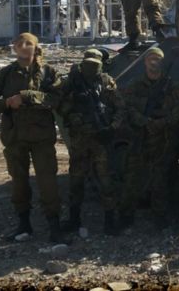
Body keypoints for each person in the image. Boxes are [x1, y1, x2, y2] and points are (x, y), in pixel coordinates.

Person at [0, 32, 67, 243]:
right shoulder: (6, 74)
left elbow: (59, 99)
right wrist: (6, 103)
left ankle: (54, 226)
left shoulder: (48, 73)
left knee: (48, 182)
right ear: (15, 48)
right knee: (19, 182)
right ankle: (23, 224)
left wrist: (28, 96)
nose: (24, 46)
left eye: (28, 43)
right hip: (15, 136)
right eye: (20, 43)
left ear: (35, 48)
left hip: (41, 137)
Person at [57, 49, 123, 236]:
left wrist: (111, 128)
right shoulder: (72, 82)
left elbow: (120, 107)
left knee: (105, 181)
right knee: (76, 179)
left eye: (95, 64)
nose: (91, 68)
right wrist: (72, 114)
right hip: (80, 138)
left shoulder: (106, 82)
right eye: (89, 64)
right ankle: (74, 218)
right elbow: (59, 105)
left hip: (100, 138)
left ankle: (110, 220)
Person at [117, 47, 179, 230]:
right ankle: (126, 215)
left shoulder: (171, 86)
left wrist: (160, 123)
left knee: (159, 178)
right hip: (139, 135)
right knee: (132, 177)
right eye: (150, 59)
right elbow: (126, 107)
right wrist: (144, 121)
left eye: (158, 59)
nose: (154, 62)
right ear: (145, 62)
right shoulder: (135, 84)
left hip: (162, 138)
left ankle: (159, 215)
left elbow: (178, 111)